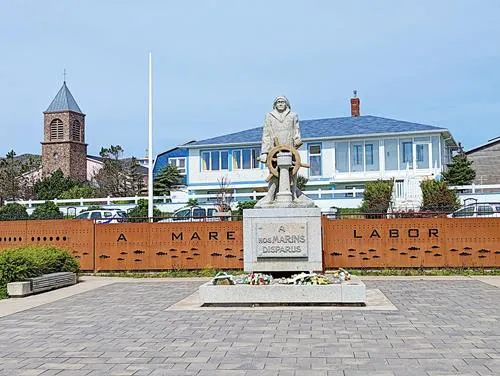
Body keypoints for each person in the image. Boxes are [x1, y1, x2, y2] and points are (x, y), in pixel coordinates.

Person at [255, 96, 313, 207]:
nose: (280, 104)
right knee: (273, 174)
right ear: (275, 104)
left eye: (283, 102)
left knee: (293, 173)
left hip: (289, 148)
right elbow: (266, 135)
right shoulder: (269, 116)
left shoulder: (293, 115)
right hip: (274, 150)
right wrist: (264, 153)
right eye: (278, 102)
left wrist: (297, 139)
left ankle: (294, 195)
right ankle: (270, 195)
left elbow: (297, 131)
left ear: (287, 104)